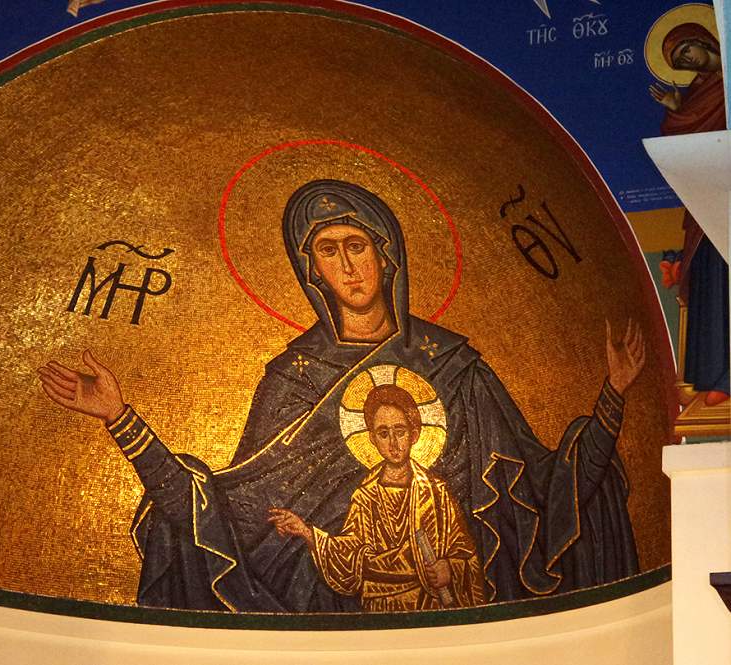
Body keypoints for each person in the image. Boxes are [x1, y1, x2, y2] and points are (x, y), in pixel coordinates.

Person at [38, 179, 644, 611]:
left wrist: (614, 395)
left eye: (358, 245)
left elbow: (548, 490)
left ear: (386, 254)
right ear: (312, 271)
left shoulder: (454, 366)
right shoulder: (294, 378)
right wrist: (121, 419)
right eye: (329, 251)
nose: (349, 266)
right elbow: (226, 512)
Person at [268, 384, 484, 611]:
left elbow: (468, 557)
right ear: (372, 438)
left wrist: (450, 569)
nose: (393, 443)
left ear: (414, 434)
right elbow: (351, 556)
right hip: (379, 606)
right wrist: (306, 533)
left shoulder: (436, 493)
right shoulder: (366, 496)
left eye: (400, 431)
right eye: (383, 433)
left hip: (429, 606)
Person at [648, 22, 729, 405]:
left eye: (685, 52)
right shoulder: (696, 93)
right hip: (709, 198)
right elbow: (681, 136)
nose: (686, 61)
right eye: (679, 61)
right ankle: (715, 377)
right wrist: (678, 110)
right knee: (711, 280)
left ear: (701, 40)